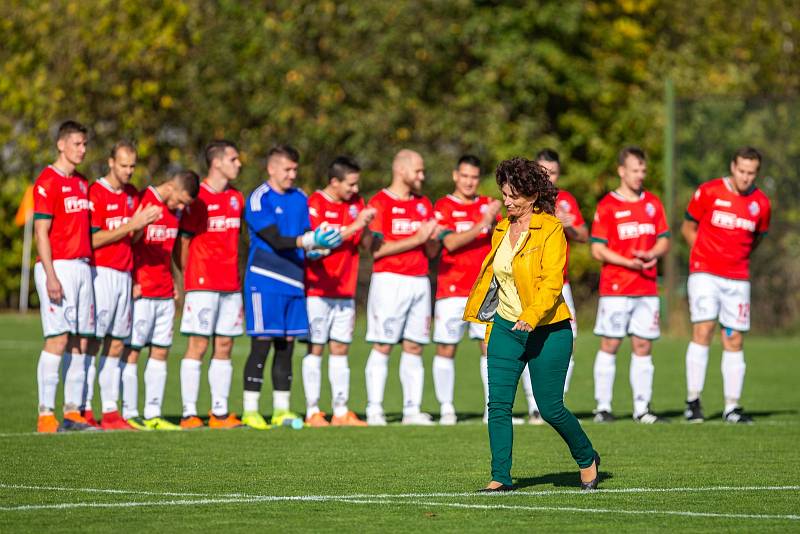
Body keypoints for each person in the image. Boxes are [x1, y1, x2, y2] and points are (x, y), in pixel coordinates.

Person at [464, 157, 599, 491]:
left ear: (533, 194)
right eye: (504, 194)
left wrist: (531, 316)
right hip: (505, 329)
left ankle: (586, 457)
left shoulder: (552, 229)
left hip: (549, 330)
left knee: (551, 408)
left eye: (513, 195)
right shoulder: (499, 229)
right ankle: (500, 477)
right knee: (498, 406)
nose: (506, 201)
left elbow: (552, 283)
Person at [241, 145, 343, 430]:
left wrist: (318, 249)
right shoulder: (259, 198)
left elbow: (304, 236)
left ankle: (281, 410)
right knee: (261, 344)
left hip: (294, 281)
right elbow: (276, 239)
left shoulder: (300, 198)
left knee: (286, 347)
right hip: (264, 280)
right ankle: (250, 410)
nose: (292, 174)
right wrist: (310, 242)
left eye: (295, 169)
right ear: (272, 169)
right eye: (287, 169)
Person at [681, 147, 771, 424]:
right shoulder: (709, 191)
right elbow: (688, 227)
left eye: (751, 172)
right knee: (704, 328)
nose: (745, 177)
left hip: (738, 278)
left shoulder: (761, 204)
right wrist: (703, 257)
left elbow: (757, 238)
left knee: (733, 338)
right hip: (705, 272)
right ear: (733, 167)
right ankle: (693, 401)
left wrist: (735, 259)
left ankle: (732, 406)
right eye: (741, 170)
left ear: (756, 173)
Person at [590, 147, 670, 423]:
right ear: (621, 171)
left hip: (646, 288)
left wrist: (652, 254)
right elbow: (597, 249)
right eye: (635, 170)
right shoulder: (608, 205)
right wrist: (627, 262)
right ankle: (603, 407)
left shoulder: (653, 204)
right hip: (616, 288)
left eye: (643, 170)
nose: (640, 175)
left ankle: (642, 409)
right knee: (610, 343)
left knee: (643, 346)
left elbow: (664, 239)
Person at [84, 140, 161, 430]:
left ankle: (111, 411)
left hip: (125, 275)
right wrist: (132, 224)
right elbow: (93, 240)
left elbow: (132, 239)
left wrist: (140, 227)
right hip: (101, 273)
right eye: (124, 165)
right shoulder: (95, 192)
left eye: (133, 166)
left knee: (117, 344)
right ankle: (83, 408)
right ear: (110, 162)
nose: (129, 171)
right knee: (93, 342)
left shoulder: (131, 194)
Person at [364, 149, 442, 426]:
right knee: (383, 344)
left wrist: (432, 239)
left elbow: (431, 251)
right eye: (418, 170)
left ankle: (412, 409)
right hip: (389, 281)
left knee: (414, 346)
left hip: (420, 281)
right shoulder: (380, 202)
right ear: (401, 170)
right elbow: (375, 250)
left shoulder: (423, 204)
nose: (422, 176)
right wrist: (417, 237)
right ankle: (375, 409)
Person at [121, 170, 200, 430]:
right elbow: (128, 243)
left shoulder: (175, 213)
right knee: (132, 351)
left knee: (161, 351)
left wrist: (177, 284)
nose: (180, 207)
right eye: (180, 201)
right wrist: (132, 280)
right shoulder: (145, 200)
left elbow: (171, 250)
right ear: (172, 187)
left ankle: (153, 413)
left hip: (165, 292)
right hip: (142, 291)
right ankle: (130, 413)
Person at [301, 156, 376, 427]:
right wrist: (355, 226)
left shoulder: (356, 204)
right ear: (334, 181)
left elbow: (364, 243)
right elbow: (319, 244)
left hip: (345, 288)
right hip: (318, 289)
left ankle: (341, 410)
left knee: (341, 349)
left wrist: (366, 226)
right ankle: (313, 411)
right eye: (350, 184)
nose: (355, 190)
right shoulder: (315, 203)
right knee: (316, 348)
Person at [32, 120, 96, 432]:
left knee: (80, 342)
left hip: (83, 268)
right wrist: (50, 275)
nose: (82, 150)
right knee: (57, 339)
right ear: (61, 145)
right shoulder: (47, 180)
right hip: (58, 267)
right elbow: (40, 232)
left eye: (85, 144)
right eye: (77, 144)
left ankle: (72, 412)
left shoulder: (83, 183)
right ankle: (46, 414)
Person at [177, 140, 245, 430]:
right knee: (198, 344)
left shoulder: (237, 199)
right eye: (233, 158)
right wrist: (187, 276)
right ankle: (189, 413)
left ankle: (219, 412)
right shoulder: (198, 197)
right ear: (216, 163)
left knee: (225, 344)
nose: (239, 164)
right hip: (202, 283)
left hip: (230, 283)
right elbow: (183, 242)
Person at [518, 149, 588, 424]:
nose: (548, 178)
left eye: (553, 172)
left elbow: (584, 236)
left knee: (566, 339)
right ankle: (534, 405)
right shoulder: (525, 200)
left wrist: (570, 226)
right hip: (529, 283)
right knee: (526, 339)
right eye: (543, 172)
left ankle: (554, 402)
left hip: (560, 283)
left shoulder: (566, 200)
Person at [431, 155, 501, 425]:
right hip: (451, 290)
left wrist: (493, 221)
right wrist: (483, 222)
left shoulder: (488, 205)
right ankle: (447, 408)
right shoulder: (444, 207)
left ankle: (490, 410)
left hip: (485, 289)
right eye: (465, 176)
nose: (470, 182)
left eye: (474, 177)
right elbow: (449, 243)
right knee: (446, 349)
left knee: (489, 348)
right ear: (455, 176)